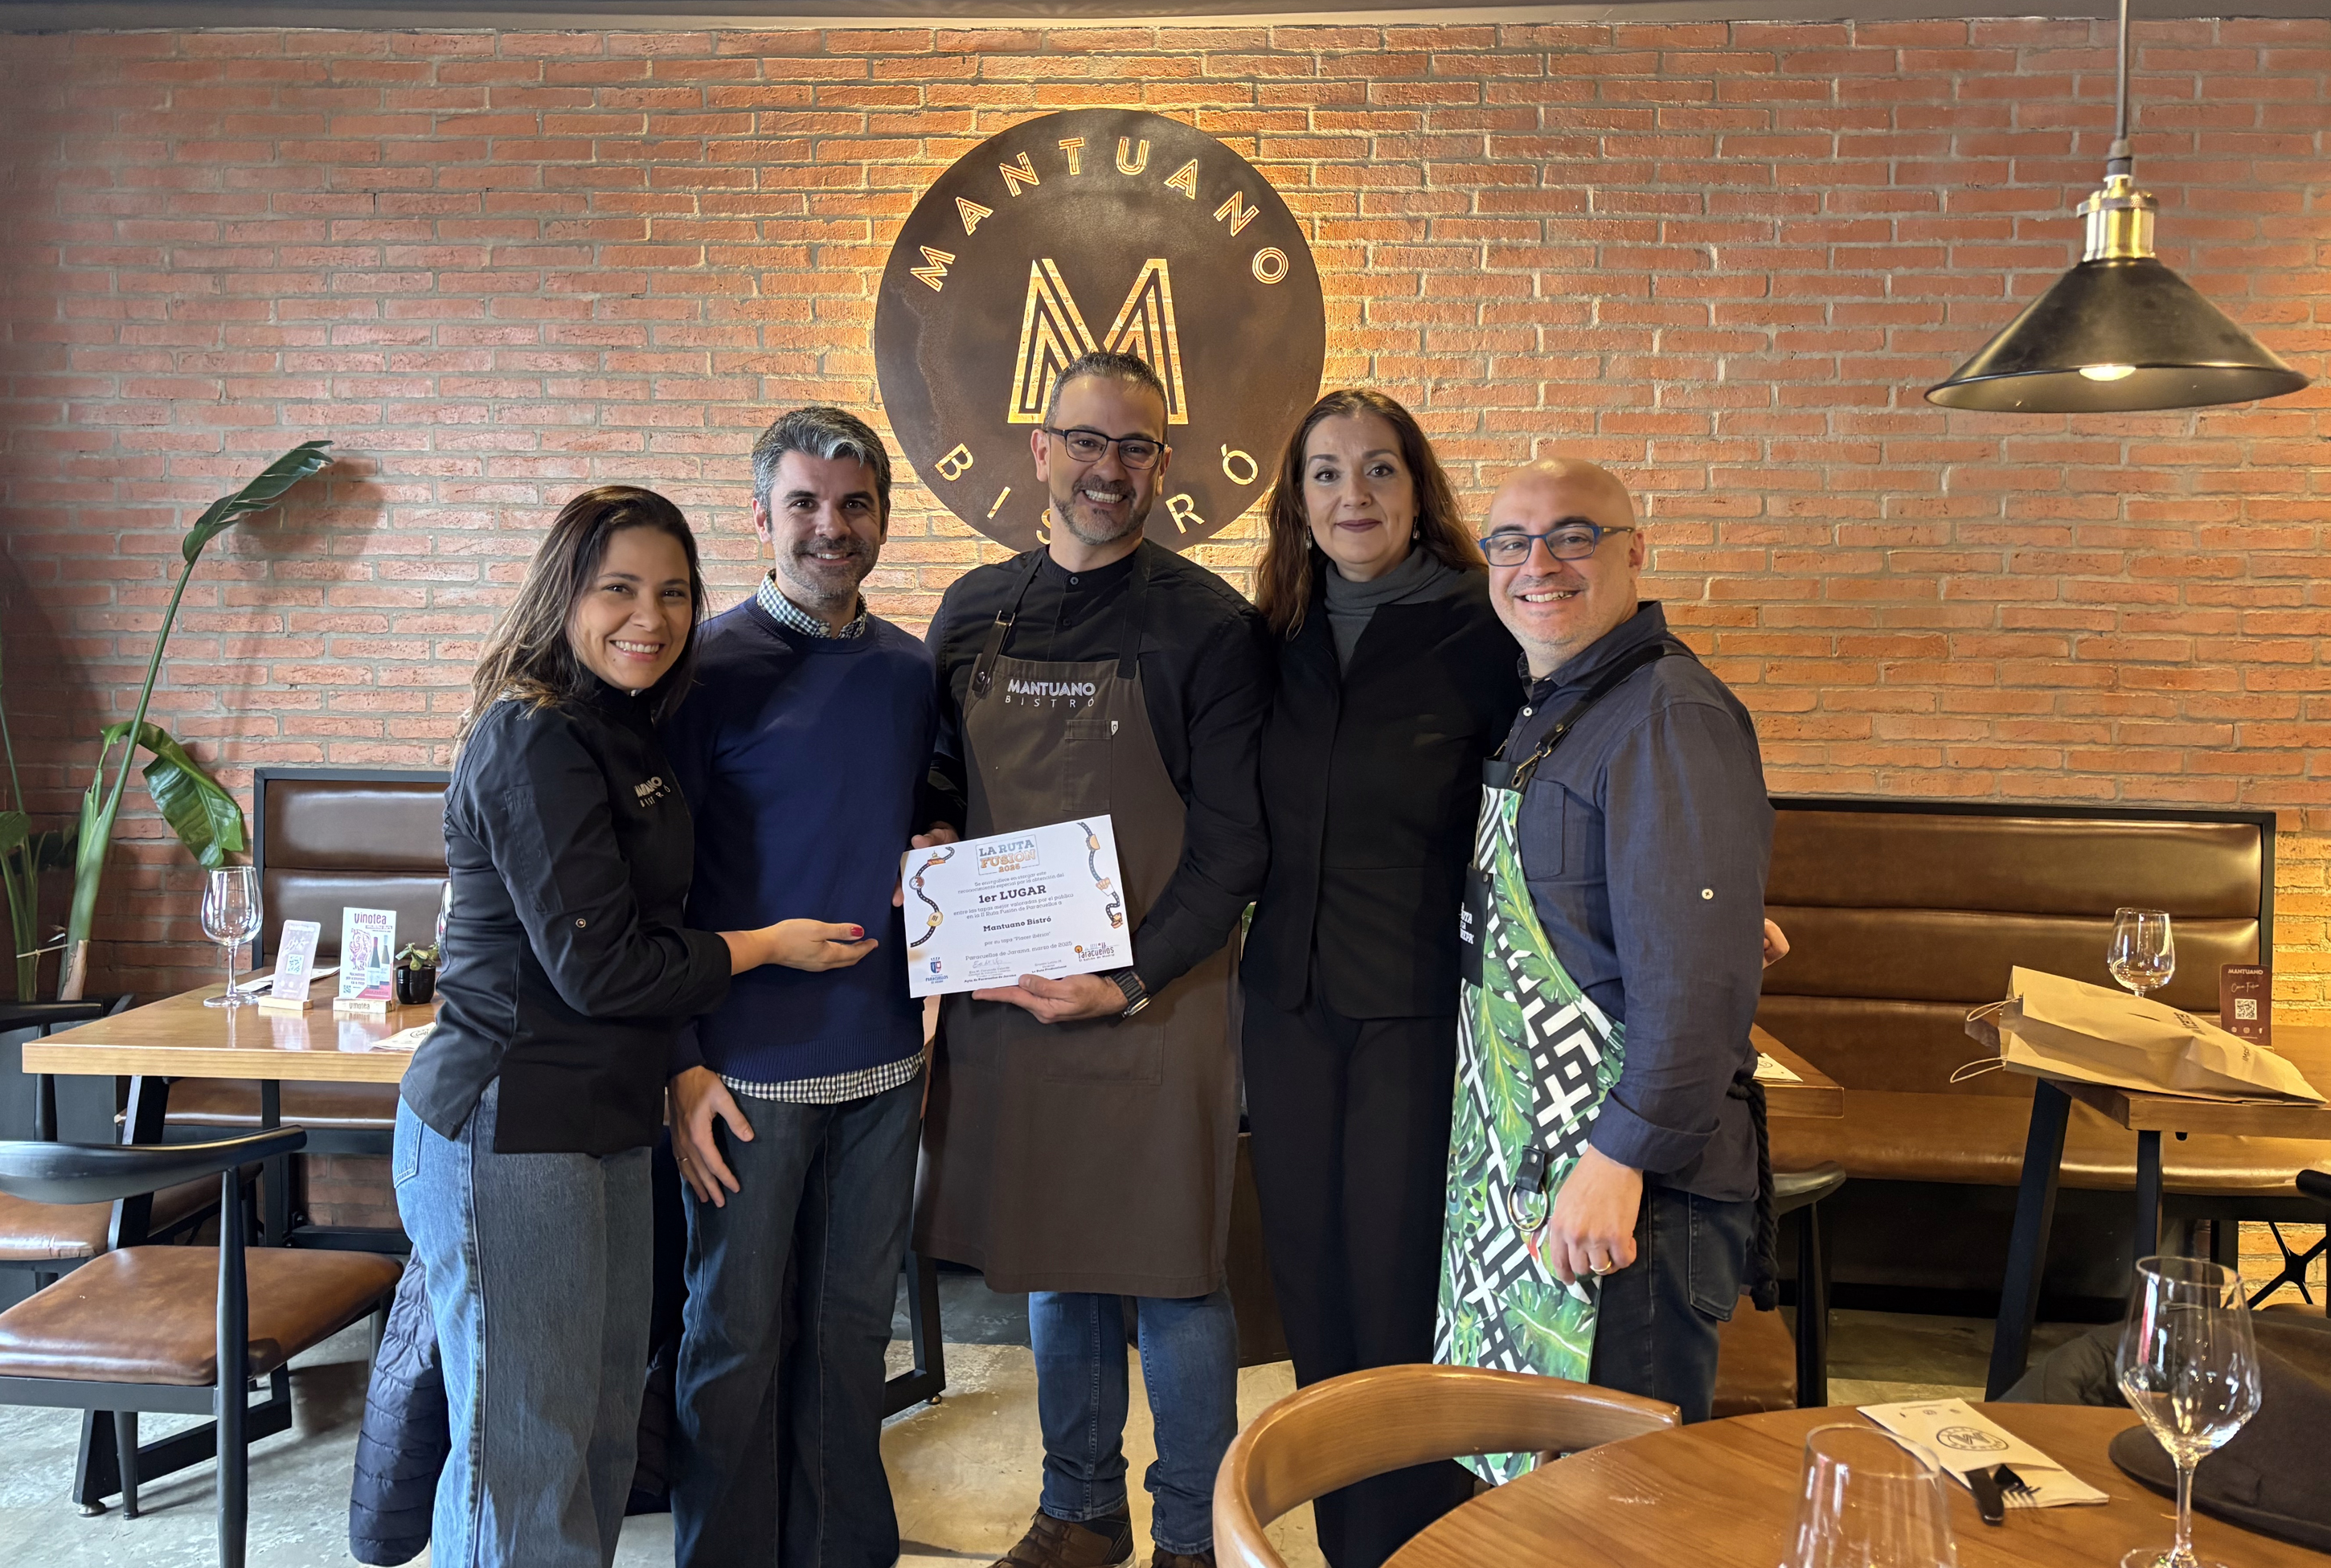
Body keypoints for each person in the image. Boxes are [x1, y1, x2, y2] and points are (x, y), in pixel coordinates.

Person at [395, 485, 859, 1568]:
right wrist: (764, 945)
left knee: (602, 1436)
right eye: (618, 589)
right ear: (562, 594)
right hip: (510, 1125)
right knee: (526, 1460)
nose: (649, 616)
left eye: (673, 593)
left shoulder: (622, 725)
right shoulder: (530, 736)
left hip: (603, 1122)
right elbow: (600, 966)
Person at [916, 349, 1272, 1568]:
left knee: (1173, 1271)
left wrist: (1126, 979)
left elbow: (1234, 847)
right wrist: (936, 842)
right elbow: (937, 777)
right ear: (1040, 450)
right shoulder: (974, 609)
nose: (1105, 467)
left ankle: (1191, 1532)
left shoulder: (1211, 627)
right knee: (1053, 1259)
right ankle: (1079, 1510)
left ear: (1161, 465)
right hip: (1015, 997)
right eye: (1084, 440)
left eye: (1132, 446)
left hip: (1162, 1002)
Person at [659, 407, 948, 1568]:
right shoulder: (701, 670)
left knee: (849, 1337)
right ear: (761, 517)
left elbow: (924, 819)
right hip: (744, 1076)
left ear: (882, 516)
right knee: (731, 1341)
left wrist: (940, 843)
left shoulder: (912, 670)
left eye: (854, 503)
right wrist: (681, 1063)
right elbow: (656, 886)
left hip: (886, 1059)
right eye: (804, 504)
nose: (832, 526)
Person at [1437, 457, 1775, 1448]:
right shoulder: (1558, 706)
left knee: (1624, 1500)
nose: (1537, 564)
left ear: (1633, 552)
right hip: (1542, 1173)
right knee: (1543, 1493)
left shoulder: (1667, 712)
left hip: (1630, 1195)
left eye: (1572, 536)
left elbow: (1696, 982)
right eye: (1510, 542)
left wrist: (1618, 1160)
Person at [1239, 389, 1521, 1567]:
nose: (1351, 494)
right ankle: (1348, 1541)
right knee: (1310, 1283)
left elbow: (1567, 779)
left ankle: (1413, 1545)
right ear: (1296, 500)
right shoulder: (1273, 634)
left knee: (1398, 1284)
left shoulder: (1486, 626)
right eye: (1325, 472)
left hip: (1418, 1007)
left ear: (1418, 489)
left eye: (1378, 469)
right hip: (1285, 1006)